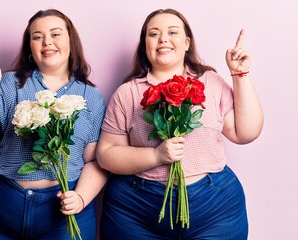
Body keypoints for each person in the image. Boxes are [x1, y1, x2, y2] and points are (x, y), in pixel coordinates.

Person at [97, 8, 263, 240]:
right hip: (136, 210)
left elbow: (245, 133)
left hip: (214, 208)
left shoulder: (211, 82)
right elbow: (105, 155)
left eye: (172, 32)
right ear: (145, 45)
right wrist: (155, 156)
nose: (163, 38)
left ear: (187, 43)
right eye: (153, 34)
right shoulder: (127, 93)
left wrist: (240, 74)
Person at [0, 9, 107, 240]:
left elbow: (96, 160)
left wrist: (82, 197)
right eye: (37, 37)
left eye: (55, 34)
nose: (47, 42)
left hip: (60, 214)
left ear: (71, 41)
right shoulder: (7, 83)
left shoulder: (91, 97)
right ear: (30, 48)